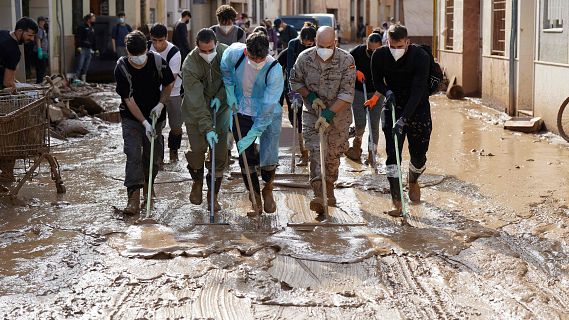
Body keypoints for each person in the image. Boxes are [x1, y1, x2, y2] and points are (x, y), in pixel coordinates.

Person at [289, 26, 356, 218]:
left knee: (333, 155)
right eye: (320, 45)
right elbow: (295, 81)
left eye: (328, 46)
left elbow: (347, 93)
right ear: (315, 42)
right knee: (316, 152)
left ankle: (329, 187)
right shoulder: (304, 58)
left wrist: (328, 114)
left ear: (334, 43)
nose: (323, 49)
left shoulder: (346, 60)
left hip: (338, 115)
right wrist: (309, 96)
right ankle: (319, 194)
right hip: (312, 113)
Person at [367, 24, 432, 216]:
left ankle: (413, 180)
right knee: (392, 154)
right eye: (391, 46)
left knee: (419, 155)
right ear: (387, 42)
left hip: (418, 107)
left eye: (399, 46)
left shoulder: (420, 57)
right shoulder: (379, 56)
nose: (395, 51)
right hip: (393, 106)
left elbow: (419, 89)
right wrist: (387, 92)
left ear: (407, 42)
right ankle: (396, 200)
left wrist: (404, 120)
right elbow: (376, 81)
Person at [221, 32, 284, 216]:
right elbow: (225, 68)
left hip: (268, 113)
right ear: (246, 52)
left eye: (261, 58)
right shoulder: (235, 53)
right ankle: (254, 196)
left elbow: (267, 108)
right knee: (245, 155)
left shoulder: (274, 69)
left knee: (268, 155)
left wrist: (251, 135)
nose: (257, 61)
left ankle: (268, 187)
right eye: (253, 57)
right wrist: (229, 89)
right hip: (240, 109)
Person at [114, 30, 175, 214]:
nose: (138, 59)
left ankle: (149, 189)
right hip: (131, 118)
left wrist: (161, 104)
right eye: (134, 55)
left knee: (153, 156)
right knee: (133, 154)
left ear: (146, 49)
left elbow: (169, 83)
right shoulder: (122, 67)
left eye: (141, 55)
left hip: (155, 115)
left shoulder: (157, 61)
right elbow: (128, 99)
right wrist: (144, 123)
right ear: (127, 52)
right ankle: (133, 197)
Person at [182, 28, 229, 211]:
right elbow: (196, 101)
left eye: (211, 50)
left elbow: (231, 81)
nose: (208, 54)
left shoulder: (225, 54)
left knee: (219, 153)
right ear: (197, 47)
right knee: (197, 150)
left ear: (216, 44)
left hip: (221, 109)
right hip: (196, 112)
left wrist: (222, 96)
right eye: (204, 51)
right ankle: (197, 182)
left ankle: (213, 196)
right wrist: (207, 127)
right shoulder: (190, 65)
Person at [0, 17, 38, 182]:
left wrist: (17, 84)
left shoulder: (2, 34)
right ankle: (7, 173)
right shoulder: (14, 51)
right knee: (7, 134)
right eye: (30, 36)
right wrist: (22, 92)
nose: (32, 39)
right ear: (20, 31)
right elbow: (8, 82)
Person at [345, 33, 383, 163]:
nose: (372, 53)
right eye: (370, 50)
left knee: (374, 124)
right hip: (359, 91)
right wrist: (355, 71)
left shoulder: (385, 55)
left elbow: (388, 79)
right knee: (360, 123)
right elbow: (345, 65)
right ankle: (356, 146)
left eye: (376, 50)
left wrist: (376, 97)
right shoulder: (357, 52)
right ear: (366, 45)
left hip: (378, 92)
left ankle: (372, 154)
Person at [149, 23, 183, 163]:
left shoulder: (174, 52)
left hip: (174, 92)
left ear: (166, 37)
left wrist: (163, 101)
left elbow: (171, 81)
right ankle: (159, 158)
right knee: (157, 126)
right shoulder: (146, 49)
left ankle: (174, 153)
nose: (157, 45)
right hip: (154, 92)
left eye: (161, 40)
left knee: (176, 127)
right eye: (154, 41)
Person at [285, 23, 316, 166]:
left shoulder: (318, 47)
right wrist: (293, 91)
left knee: (311, 118)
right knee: (295, 118)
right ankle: (302, 150)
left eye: (311, 43)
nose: (308, 46)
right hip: (295, 84)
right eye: (306, 43)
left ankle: (310, 152)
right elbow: (291, 66)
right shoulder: (293, 45)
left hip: (312, 86)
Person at [74, 13, 96, 83]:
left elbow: (93, 39)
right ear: (89, 19)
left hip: (89, 49)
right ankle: (76, 79)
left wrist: (95, 48)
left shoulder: (92, 27)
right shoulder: (81, 27)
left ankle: (83, 79)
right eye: (93, 18)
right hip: (82, 48)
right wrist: (78, 46)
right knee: (80, 64)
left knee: (86, 65)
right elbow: (78, 37)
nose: (94, 19)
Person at [34, 16, 49, 84]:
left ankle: (40, 81)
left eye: (44, 21)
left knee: (43, 68)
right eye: (43, 21)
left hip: (43, 51)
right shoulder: (39, 29)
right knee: (41, 68)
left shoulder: (43, 29)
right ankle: (39, 82)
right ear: (40, 22)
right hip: (39, 52)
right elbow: (38, 39)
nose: (44, 23)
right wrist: (40, 50)